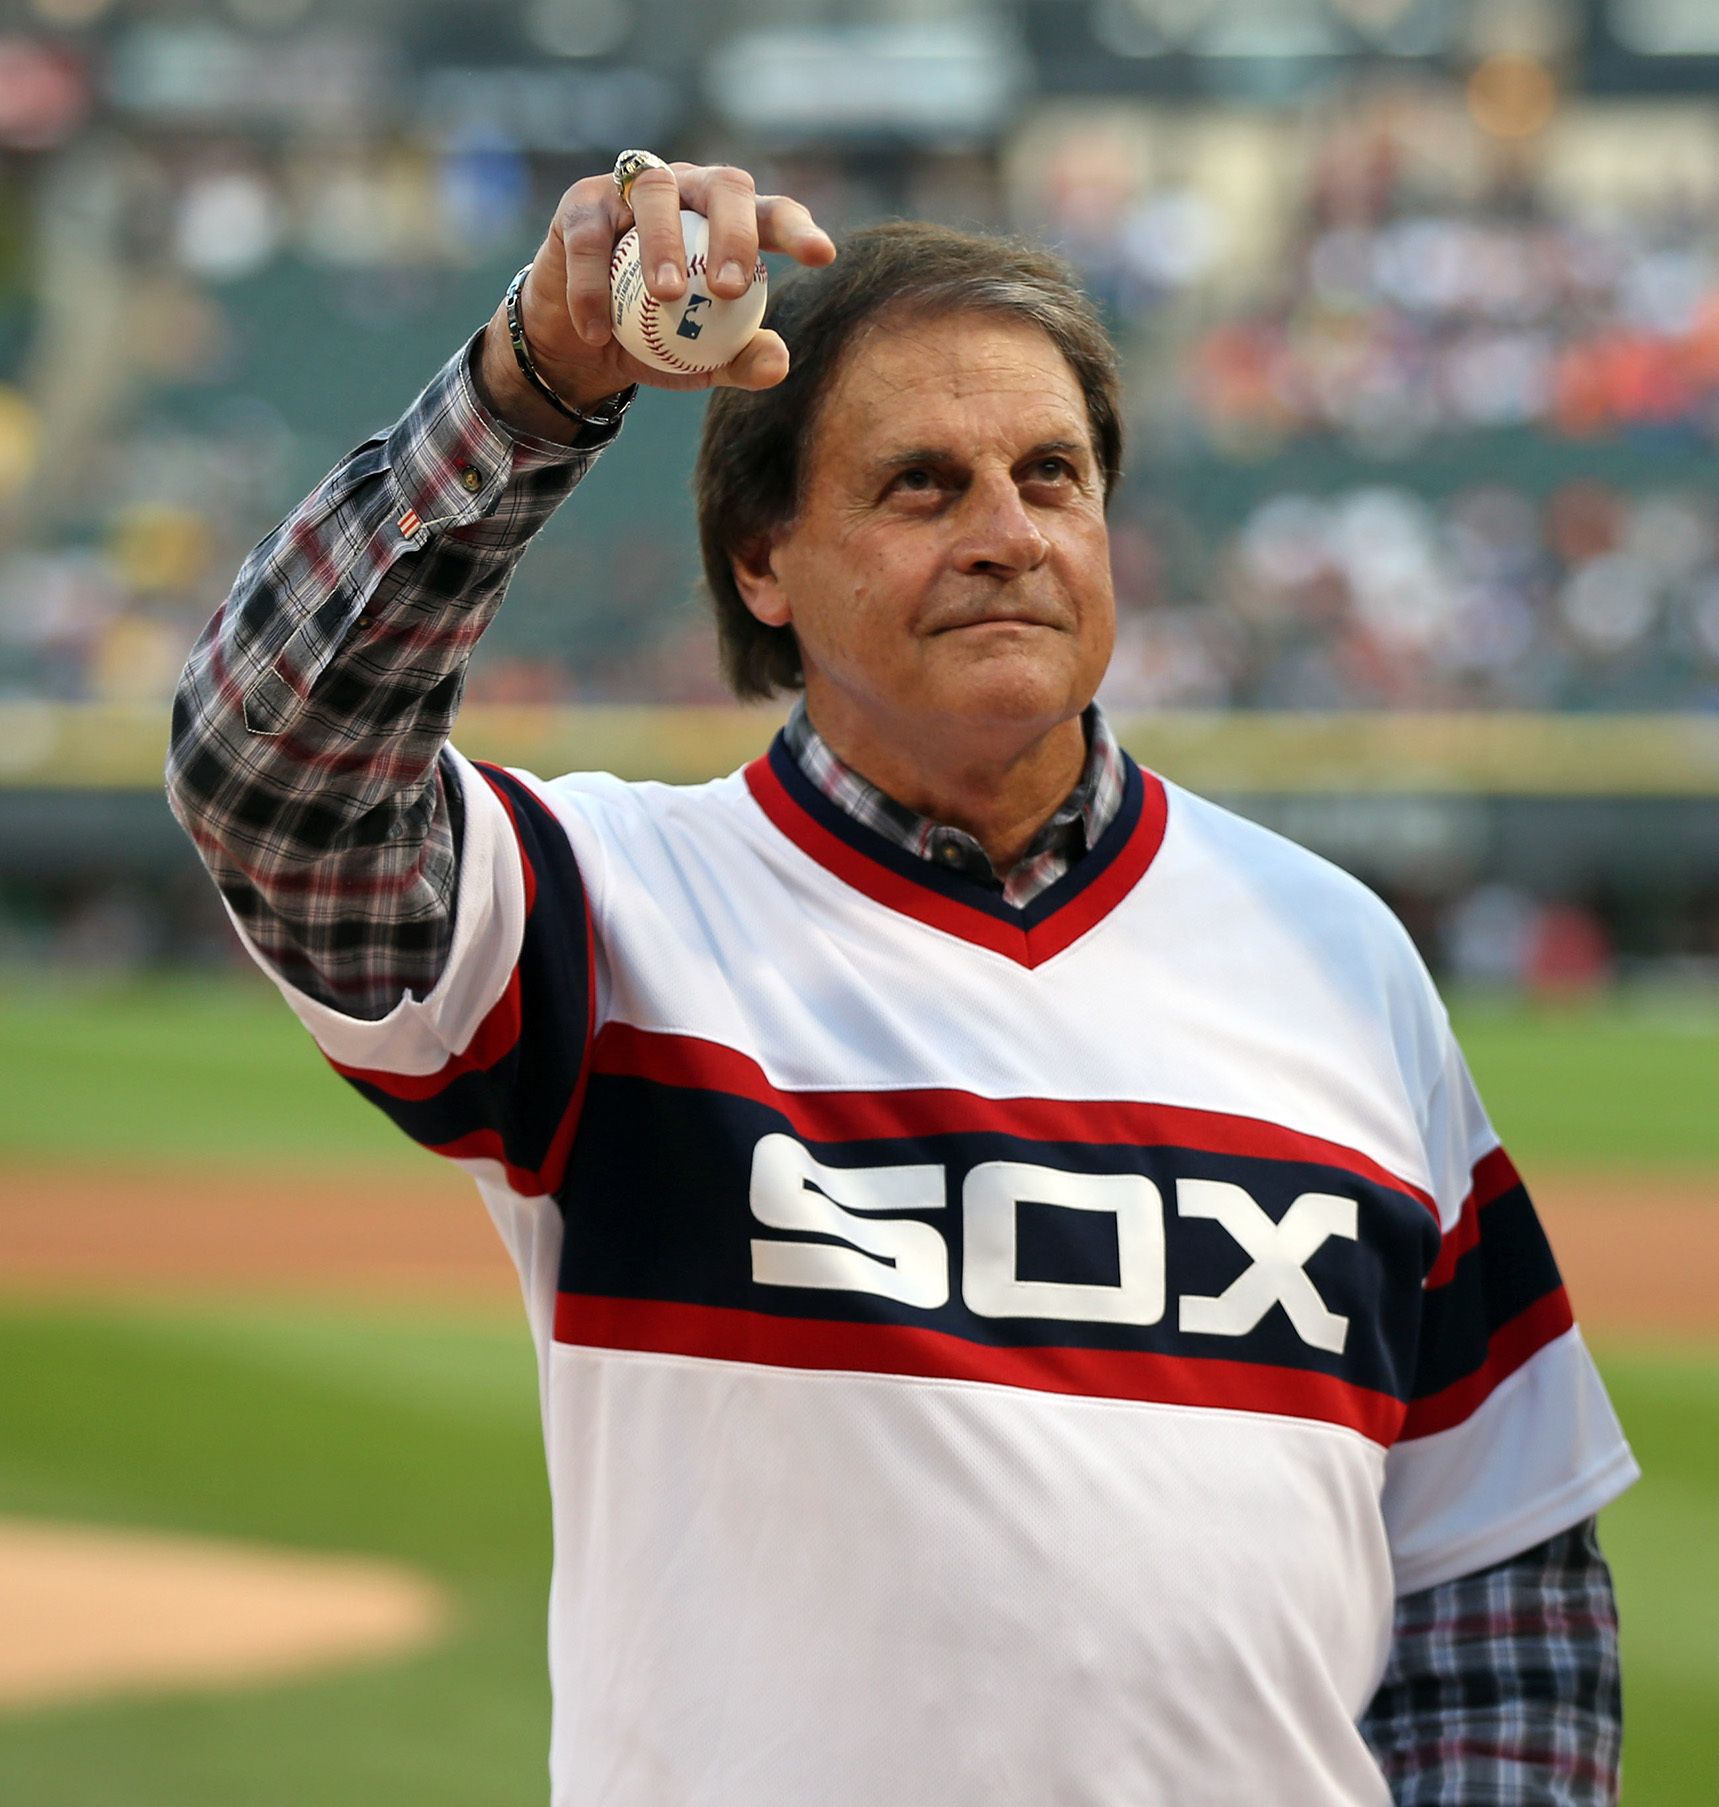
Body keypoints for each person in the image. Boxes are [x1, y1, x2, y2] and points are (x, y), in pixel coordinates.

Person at [165, 153, 1634, 1806]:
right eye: (923, 486)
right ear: (764, 562)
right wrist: (532, 385)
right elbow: (267, 775)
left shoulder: (1336, 953)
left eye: (1051, 474)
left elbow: (1500, 1586)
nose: (1007, 534)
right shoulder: (611, 911)